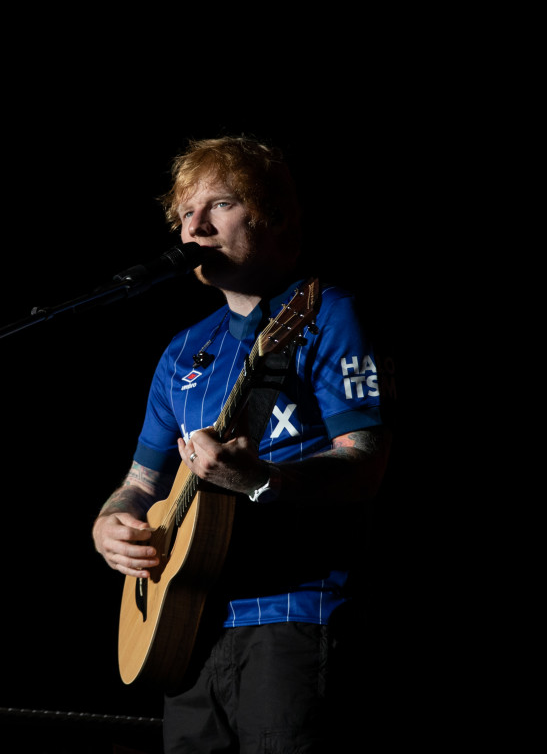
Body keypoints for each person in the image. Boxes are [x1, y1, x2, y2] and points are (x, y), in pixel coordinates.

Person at [91, 135, 391, 752]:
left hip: (294, 621)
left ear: (273, 215)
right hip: (188, 633)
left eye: (217, 205)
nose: (193, 226)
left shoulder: (326, 314)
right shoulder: (181, 352)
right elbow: (140, 484)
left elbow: (366, 464)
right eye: (183, 214)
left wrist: (262, 482)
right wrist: (109, 525)